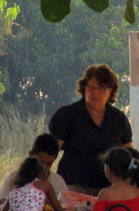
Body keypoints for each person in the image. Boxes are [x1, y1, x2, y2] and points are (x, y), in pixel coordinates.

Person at [49, 64, 133, 196]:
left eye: (102, 89)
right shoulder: (67, 115)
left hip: (109, 188)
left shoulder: (118, 118)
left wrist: (133, 183)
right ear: (84, 87)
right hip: (73, 186)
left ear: (111, 91)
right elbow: (50, 152)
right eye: (92, 87)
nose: (96, 93)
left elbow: (129, 155)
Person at [0, 134, 68, 203]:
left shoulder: (58, 181)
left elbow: (65, 207)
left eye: (49, 164)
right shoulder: (14, 176)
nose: (44, 168)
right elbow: (2, 201)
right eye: (41, 162)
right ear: (31, 155)